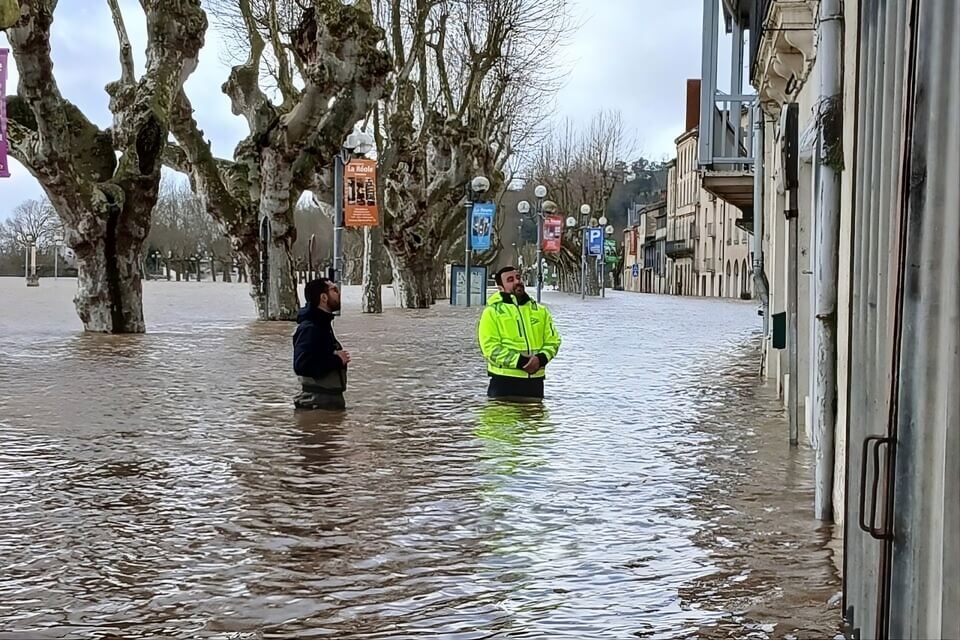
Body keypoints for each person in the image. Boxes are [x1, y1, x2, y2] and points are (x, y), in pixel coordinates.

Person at [477, 265, 561, 401]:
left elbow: (553, 341)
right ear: (500, 288)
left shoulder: (540, 311)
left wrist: (540, 359)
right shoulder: (492, 312)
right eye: (510, 280)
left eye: (518, 277)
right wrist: (522, 362)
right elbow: (490, 348)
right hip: (504, 383)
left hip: (535, 383)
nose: (517, 281)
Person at [292, 278, 350, 410]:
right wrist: (337, 360)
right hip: (316, 402)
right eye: (334, 290)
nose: (339, 293)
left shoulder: (322, 324)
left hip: (325, 402)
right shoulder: (310, 328)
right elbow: (302, 365)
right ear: (323, 297)